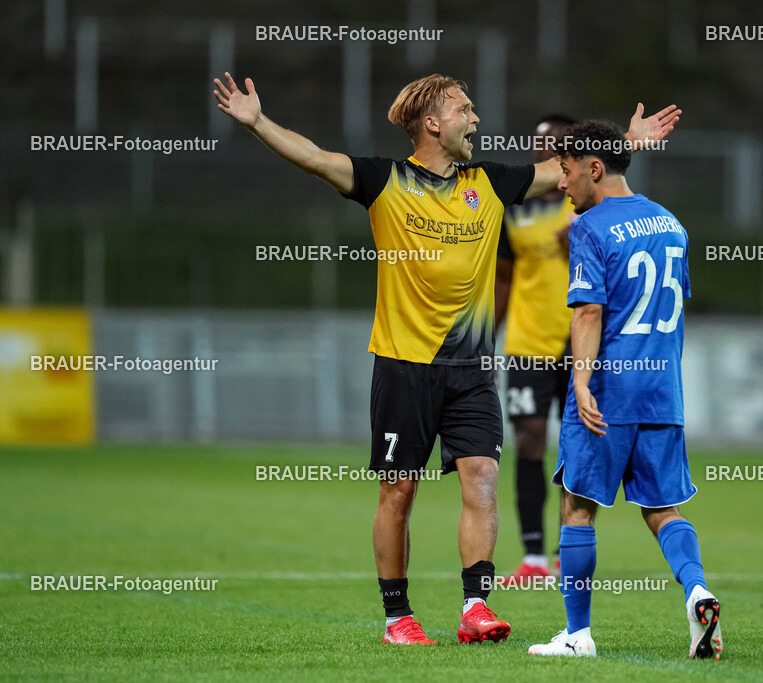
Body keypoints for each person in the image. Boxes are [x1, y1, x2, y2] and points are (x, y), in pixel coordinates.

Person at [214, 72, 678, 645]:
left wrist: (626, 145)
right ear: (433, 122)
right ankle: (397, 618)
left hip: (474, 368)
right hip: (402, 365)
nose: (476, 118)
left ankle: (475, 607)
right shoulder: (383, 180)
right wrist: (258, 122)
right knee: (398, 490)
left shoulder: (490, 182)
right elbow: (314, 158)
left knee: (481, 474)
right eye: (465, 109)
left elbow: (573, 170)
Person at [528, 121, 721, 660]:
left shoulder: (589, 227)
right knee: (663, 509)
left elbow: (590, 308)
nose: (561, 185)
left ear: (593, 169)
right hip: (663, 391)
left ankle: (577, 635)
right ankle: (698, 591)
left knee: (577, 505)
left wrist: (583, 381)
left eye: (565, 171)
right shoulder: (672, 223)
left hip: (610, 390)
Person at [494, 114, 577, 585]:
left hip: (583, 344)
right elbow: (504, 276)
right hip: (526, 343)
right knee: (527, 438)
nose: (546, 152)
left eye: (557, 145)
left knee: (576, 447)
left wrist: (585, 236)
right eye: (540, 145)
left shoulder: (589, 204)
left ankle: (569, 550)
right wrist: (488, 336)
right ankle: (533, 558)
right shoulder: (514, 208)